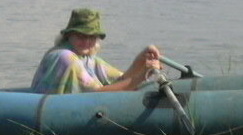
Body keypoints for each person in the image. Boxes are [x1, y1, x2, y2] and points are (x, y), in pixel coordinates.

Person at [30, 8, 160, 95]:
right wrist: (143, 76)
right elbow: (98, 94)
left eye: (91, 37)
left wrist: (141, 60)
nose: (86, 41)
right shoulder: (65, 57)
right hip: (49, 111)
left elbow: (121, 80)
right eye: (81, 35)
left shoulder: (87, 58)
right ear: (69, 35)